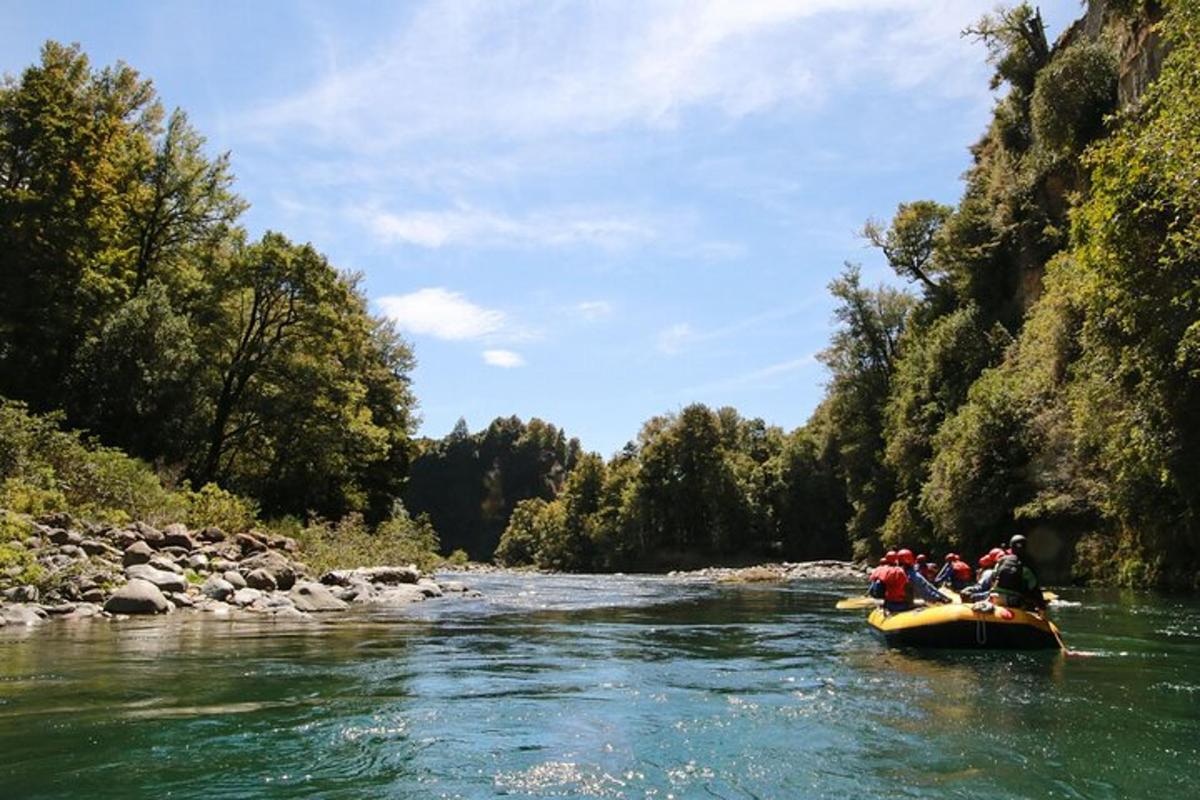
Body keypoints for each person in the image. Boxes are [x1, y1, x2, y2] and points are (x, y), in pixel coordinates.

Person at [989, 534, 1045, 610]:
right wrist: (1042, 607)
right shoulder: (1026, 565)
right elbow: (1035, 589)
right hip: (1014, 601)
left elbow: (992, 578)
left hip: (996, 598)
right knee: (1031, 604)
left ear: (1011, 547)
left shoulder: (1001, 560)